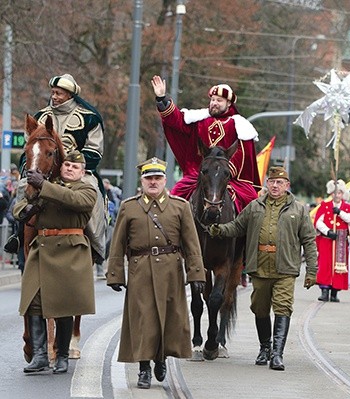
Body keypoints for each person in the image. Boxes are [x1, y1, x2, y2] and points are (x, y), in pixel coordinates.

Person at [106, 157, 206, 389]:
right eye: (149, 178)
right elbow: (118, 243)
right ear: (142, 181)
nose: (153, 182)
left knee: (168, 319)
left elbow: (192, 244)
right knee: (143, 319)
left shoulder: (180, 207)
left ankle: (160, 359)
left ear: (164, 180)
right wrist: (115, 274)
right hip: (140, 270)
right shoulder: (129, 207)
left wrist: (196, 274)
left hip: (171, 271)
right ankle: (143, 369)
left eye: (157, 178)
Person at [208, 166, 317, 371]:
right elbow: (237, 226)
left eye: (280, 183)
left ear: (287, 186)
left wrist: (312, 270)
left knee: (283, 307)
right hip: (259, 266)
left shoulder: (299, 210)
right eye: (272, 182)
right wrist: (219, 230)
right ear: (267, 184)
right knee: (259, 308)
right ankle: (264, 348)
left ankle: (277, 354)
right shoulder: (254, 206)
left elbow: (309, 240)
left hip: (285, 267)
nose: (275, 186)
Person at [14, 151, 96, 374]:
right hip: (41, 249)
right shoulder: (48, 185)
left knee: (64, 307)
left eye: (75, 167)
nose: (69, 168)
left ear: (82, 172)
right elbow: (19, 205)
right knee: (33, 304)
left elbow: (76, 201)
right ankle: (40, 355)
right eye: (67, 164)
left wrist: (45, 187)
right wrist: (29, 208)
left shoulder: (86, 189)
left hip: (68, 252)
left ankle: (61, 356)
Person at [151, 76, 261, 211]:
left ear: (229, 104)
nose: (214, 103)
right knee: (174, 200)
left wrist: (224, 171)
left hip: (227, 177)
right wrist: (162, 98)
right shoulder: (199, 120)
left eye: (219, 100)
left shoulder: (239, 124)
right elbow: (176, 121)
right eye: (213, 99)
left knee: (252, 203)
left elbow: (243, 152)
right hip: (197, 174)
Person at [314, 179, 350, 302]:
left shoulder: (347, 207)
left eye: (339, 193)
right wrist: (327, 231)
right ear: (331, 194)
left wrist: (340, 213)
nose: (337, 195)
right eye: (335, 193)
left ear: (342, 194)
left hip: (341, 241)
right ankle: (324, 291)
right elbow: (318, 222)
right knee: (325, 265)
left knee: (339, 267)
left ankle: (335, 292)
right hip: (327, 240)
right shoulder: (325, 206)